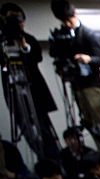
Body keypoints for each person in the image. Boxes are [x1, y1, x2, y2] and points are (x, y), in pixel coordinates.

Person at [49, 1, 100, 155]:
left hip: (93, 86)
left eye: (69, 20)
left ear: (75, 15)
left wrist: (88, 59)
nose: (67, 24)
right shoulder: (64, 34)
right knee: (88, 122)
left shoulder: (88, 34)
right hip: (77, 85)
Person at [0, 3, 59, 158]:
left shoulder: (29, 39)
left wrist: (24, 46)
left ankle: (54, 161)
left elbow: (36, 57)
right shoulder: (2, 41)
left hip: (35, 93)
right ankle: (41, 160)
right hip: (14, 93)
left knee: (44, 129)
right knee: (26, 128)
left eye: (17, 19)